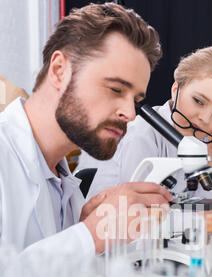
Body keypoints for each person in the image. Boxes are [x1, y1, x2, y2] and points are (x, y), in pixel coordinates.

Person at [0, 3, 173, 255]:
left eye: (136, 99)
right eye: (115, 89)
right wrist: (90, 235)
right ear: (60, 71)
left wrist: (84, 230)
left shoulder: (66, 190)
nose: (131, 113)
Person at [87, 46, 212, 202]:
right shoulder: (142, 135)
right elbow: (141, 211)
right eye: (198, 101)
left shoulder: (196, 141)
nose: (205, 119)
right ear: (175, 90)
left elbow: (201, 205)